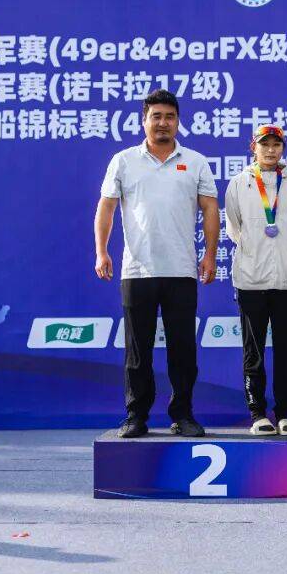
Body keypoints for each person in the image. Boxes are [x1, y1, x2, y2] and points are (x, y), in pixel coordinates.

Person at [94, 89, 220, 438]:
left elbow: (210, 208)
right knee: (138, 351)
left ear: (178, 121)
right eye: (156, 116)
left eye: (169, 117)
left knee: (183, 350)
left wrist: (210, 255)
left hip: (182, 269)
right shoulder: (124, 160)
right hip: (138, 270)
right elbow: (106, 207)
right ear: (144, 120)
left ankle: (183, 414)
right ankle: (136, 415)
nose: (163, 123)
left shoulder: (195, 161)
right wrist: (101, 251)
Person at [224, 124, 287, 435]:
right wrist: (256, 250)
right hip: (251, 279)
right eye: (264, 144)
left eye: (276, 145)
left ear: (283, 148)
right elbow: (234, 228)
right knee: (253, 350)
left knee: (286, 350)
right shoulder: (239, 183)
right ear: (253, 147)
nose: (270, 150)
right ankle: (257, 413)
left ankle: (284, 412)